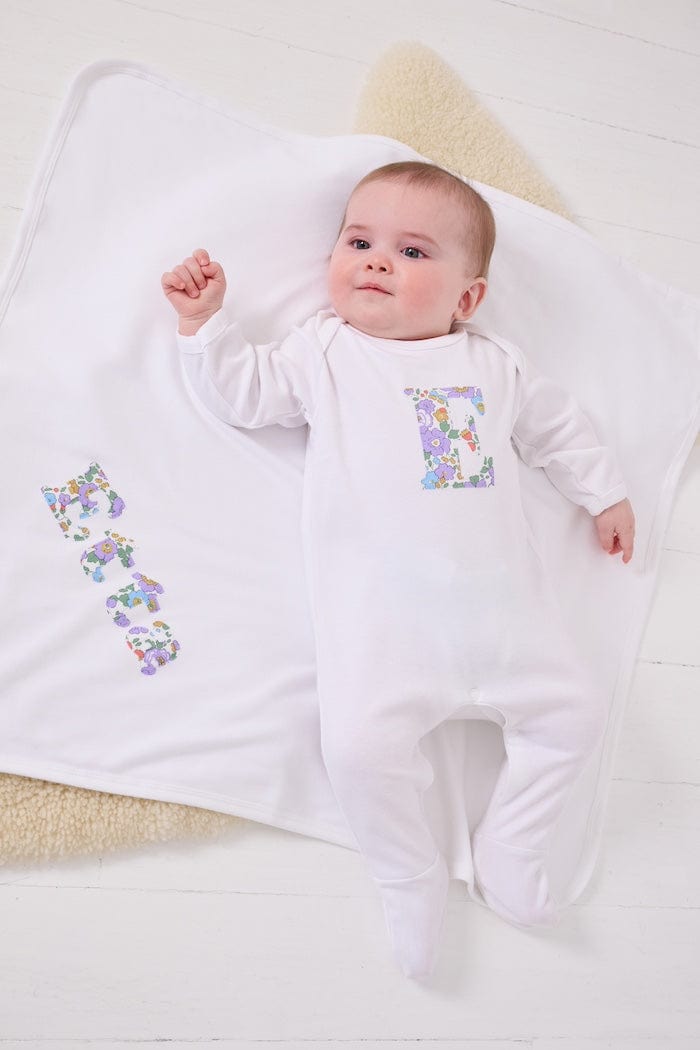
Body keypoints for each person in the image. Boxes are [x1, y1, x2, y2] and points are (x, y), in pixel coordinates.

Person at [161, 161, 636, 979]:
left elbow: (559, 428)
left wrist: (606, 493)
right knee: (356, 751)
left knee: (576, 718)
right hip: (384, 632)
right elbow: (245, 394)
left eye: (413, 252)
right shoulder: (325, 352)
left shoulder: (492, 365)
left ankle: (514, 845)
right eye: (359, 242)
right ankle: (407, 872)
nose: (378, 261)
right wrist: (206, 325)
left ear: (467, 298)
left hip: (508, 622)